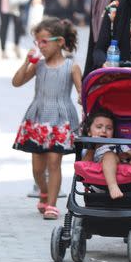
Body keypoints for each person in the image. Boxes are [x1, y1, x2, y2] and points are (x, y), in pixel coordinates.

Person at [12, 17, 81, 220]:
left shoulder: (71, 66)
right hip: (39, 118)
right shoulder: (38, 66)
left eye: (44, 42)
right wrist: (27, 62)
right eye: (37, 42)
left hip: (61, 118)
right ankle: (43, 190)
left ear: (59, 42)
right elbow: (17, 82)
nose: (40, 47)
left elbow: (82, 92)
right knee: (37, 168)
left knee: (54, 162)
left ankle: (51, 204)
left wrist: (83, 102)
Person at [81, 110, 131, 206]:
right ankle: (113, 187)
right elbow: (84, 166)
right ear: (89, 131)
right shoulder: (89, 149)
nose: (104, 131)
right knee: (109, 155)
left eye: (109, 128)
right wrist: (92, 146)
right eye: (99, 127)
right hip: (103, 177)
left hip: (125, 165)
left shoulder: (118, 143)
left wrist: (127, 154)